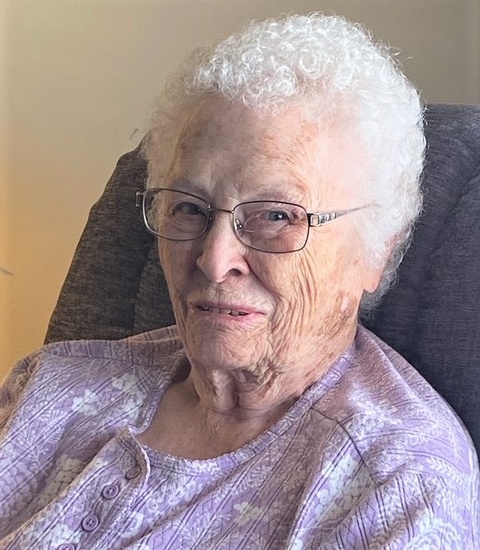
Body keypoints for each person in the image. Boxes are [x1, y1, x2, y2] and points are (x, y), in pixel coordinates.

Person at [0, 12, 478, 550]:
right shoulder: (47, 385)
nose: (214, 259)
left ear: (375, 248)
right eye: (188, 207)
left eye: (276, 215)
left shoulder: (395, 489)